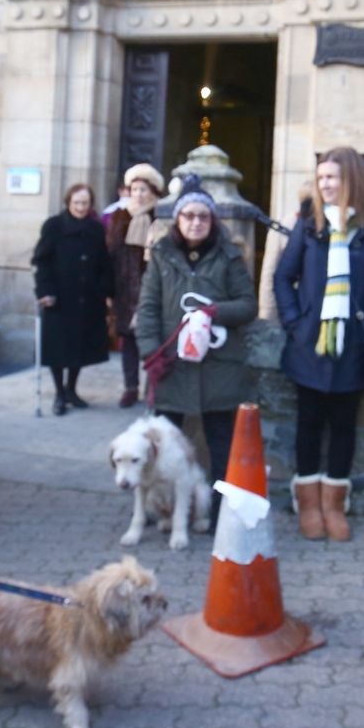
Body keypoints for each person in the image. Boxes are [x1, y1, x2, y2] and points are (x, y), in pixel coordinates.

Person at [272, 146, 364, 542]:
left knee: (344, 427)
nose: (325, 184)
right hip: (310, 344)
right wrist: (295, 322)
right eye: (321, 177)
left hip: (352, 345)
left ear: (352, 181)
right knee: (308, 425)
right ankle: (308, 505)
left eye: (333, 177)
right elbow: (283, 277)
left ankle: (333, 505)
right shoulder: (309, 222)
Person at [133, 175, 256, 526]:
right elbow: (149, 309)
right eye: (189, 216)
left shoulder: (230, 255)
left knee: (221, 447)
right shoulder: (160, 256)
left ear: (212, 220)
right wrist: (151, 355)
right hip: (172, 366)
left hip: (218, 366)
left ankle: (218, 516)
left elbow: (247, 305)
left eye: (203, 216)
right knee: (161, 445)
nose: (196, 222)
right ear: (178, 218)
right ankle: (162, 510)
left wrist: (214, 310)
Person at [32, 183, 112, 416]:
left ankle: (71, 389)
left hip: (87, 299)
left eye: (85, 203)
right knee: (58, 348)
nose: (80, 207)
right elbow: (42, 260)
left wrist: (104, 289)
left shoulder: (96, 228)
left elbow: (103, 262)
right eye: (76, 203)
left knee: (80, 347)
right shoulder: (54, 226)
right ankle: (59, 393)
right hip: (60, 297)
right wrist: (44, 291)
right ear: (68, 202)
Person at [106, 163, 165, 408]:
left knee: (152, 339)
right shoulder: (119, 216)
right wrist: (108, 291)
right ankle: (130, 386)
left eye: (143, 189)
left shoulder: (160, 217)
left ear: (153, 192)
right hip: (123, 289)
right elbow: (110, 253)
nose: (139, 194)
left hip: (150, 288)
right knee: (127, 341)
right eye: (134, 189)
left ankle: (154, 386)